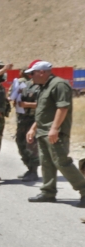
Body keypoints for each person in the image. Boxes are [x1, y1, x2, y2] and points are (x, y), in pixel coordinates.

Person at [25, 61, 85, 206]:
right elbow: (43, 111)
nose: (30, 77)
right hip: (43, 131)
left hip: (55, 132)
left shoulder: (59, 84)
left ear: (42, 72)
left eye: (32, 73)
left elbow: (62, 108)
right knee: (46, 163)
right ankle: (48, 192)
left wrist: (54, 128)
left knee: (62, 162)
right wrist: (33, 128)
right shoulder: (44, 87)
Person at [10, 65, 41, 181]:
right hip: (22, 119)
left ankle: (34, 171)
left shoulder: (40, 87)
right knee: (20, 142)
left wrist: (26, 105)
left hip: (33, 120)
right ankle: (29, 168)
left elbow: (44, 105)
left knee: (31, 145)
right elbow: (17, 96)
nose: (29, 75)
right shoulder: (24, 85)